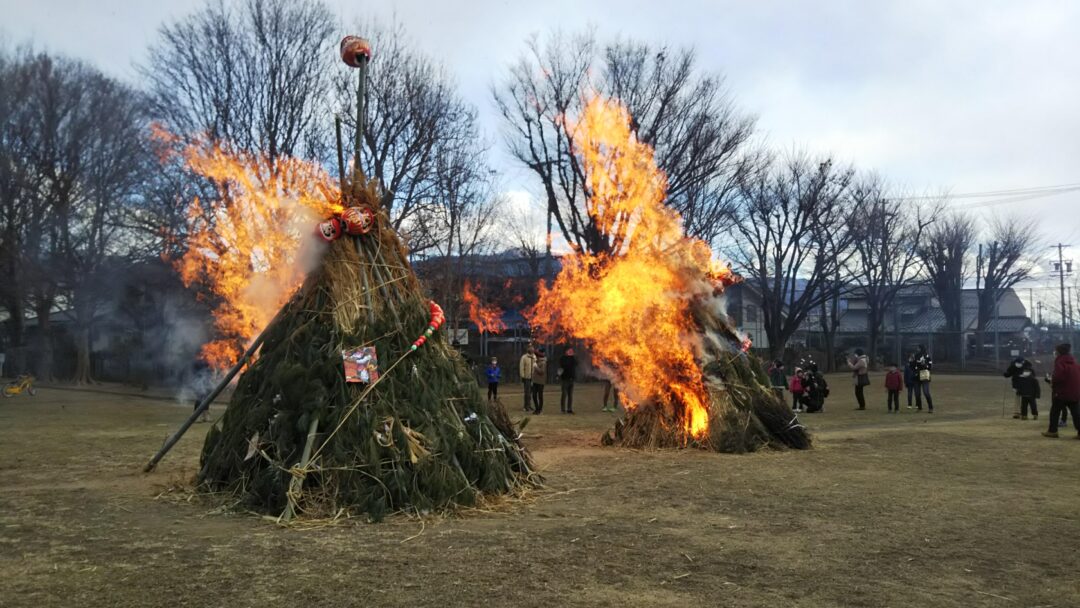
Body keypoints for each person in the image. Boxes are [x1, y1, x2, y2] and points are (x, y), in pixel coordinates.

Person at [1041, 343, 1080, 439]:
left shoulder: (1059, 362)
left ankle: (1052, 431)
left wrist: (1051, 380)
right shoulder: (1074, 363)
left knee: (1055, 411)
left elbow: (1058, 377)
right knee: (1076, 413)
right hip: (1074, 392)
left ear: (1059, 352)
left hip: (1061, 392)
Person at [1003, 355, 1032, 419]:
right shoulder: (1013, 365)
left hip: (1025, 383)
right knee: (1017, 397)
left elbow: (1030, 372)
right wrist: (1006, 374)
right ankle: (1017, 412)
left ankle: (1023, 412)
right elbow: (1009, 372)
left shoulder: (1027, 364)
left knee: (1024, 398)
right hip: (1016, 383)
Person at [912, 346, 934, 413]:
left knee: (926, 392)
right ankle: (919, 407)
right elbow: (912, 366)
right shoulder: (915, 356)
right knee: (917, 393)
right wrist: (911, 362)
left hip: (924, 374)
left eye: (918, 348)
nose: (917, 349)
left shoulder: (926, 356)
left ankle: (930, 408)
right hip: (916, 376)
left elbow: (930, 365)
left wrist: (925, 365)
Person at [558, 347, 578, 414]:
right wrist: (570, 358)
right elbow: (564, 366)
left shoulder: (572, 358)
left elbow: (577, 364)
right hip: (565, 379)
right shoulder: (562, 358)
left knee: (570, 395)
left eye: (572, 351)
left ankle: (569, 409)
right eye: (569, 350)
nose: (571, 352)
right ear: (566, 351)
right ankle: (563, 409)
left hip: (571, 379)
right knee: (564, 394)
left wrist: (572, 357)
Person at [519, 348, 536, 412]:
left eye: (532, 349)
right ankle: (526, 406)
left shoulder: (534, 357)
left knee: (531, 392)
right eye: (531, 349)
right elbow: (521, 367)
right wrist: (522, 376)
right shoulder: (524, 357)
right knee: (527, 392)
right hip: (527, 377)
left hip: (533, 377)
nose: (532, 350)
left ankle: (529, 405)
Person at [531, 349, 547, 414]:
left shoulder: (543, 362)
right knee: (534, 395)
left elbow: (542, 372)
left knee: (540, 396)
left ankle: (539, 409)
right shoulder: (536, 362)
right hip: (535, 381)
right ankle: (537, 408)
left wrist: (536, 367)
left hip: (540, 381)